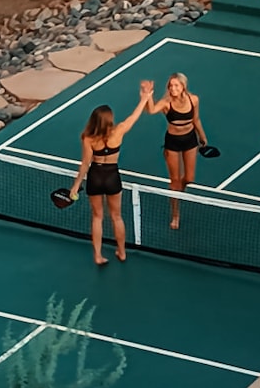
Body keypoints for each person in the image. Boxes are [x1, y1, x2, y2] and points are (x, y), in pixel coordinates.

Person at [69, 80, 154, 265]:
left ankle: (98, 256)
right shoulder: (119, 131)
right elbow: (134, 116)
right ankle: (121, 252)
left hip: (96, 177)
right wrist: (145, 98)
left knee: (97, 217)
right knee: (116, 216)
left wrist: (76, 186)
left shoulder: (88, 138)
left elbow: (85, 164)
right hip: (112, 176)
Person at [145, 72, 208, 229]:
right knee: (174, 181)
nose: (173, 88)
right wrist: (148, 95)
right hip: (172, 142)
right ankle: (175, 214)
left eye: (176, 85)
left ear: (183, 86)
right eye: (170, 86)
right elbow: (151, 110)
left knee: (189, 178)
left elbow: (196, 119)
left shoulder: (194, 100)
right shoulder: (166, 103)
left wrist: (202, 136)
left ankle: (179, 189)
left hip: (190, 140)